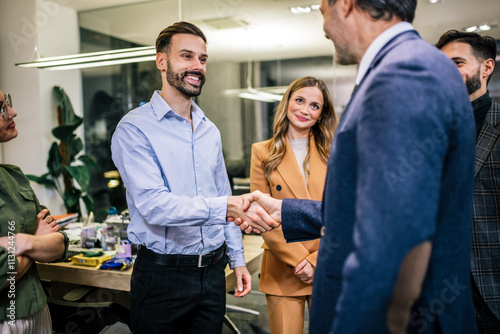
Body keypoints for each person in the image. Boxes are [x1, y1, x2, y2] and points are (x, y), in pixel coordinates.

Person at [234, 0, 478, 333]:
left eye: (323, 10)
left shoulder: (403, 74)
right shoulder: (409, 66)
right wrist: (285, 209)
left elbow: (389, 244)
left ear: (346, 4)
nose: (324, 28)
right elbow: (368, 208)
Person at [111, 21, 277, 334]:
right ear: (162, 61)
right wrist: (228, 206)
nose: (197, 66)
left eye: (202, 59)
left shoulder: (208, 130)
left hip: (213, 273)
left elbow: (222, 191)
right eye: (186, 56)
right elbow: (155, 207)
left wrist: (237, 259)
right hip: (162, 278)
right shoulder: (134, 129)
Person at [250, 76, 337, 334]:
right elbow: (261, 214)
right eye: (299, 100)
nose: (304, 110)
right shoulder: (262, 152)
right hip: (283, 265)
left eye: (314, 106)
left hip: (327, 262)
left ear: (321, 115)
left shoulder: (336, 152)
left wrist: (316, 260)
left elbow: (344, 212)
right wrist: (301, 261)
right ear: (287, 102)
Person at [437, 30, 499, 333]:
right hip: (434, 291)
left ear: (486, 67)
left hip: (491, 290)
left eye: (457, 63)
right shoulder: (428, 130)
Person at [0, 90, 69, 333]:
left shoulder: (14, 176)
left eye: (7, 102)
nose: (12, 112)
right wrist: (37, 242)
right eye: (1, 108)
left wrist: (20, 242)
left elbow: (60, 243)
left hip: (39, 310)